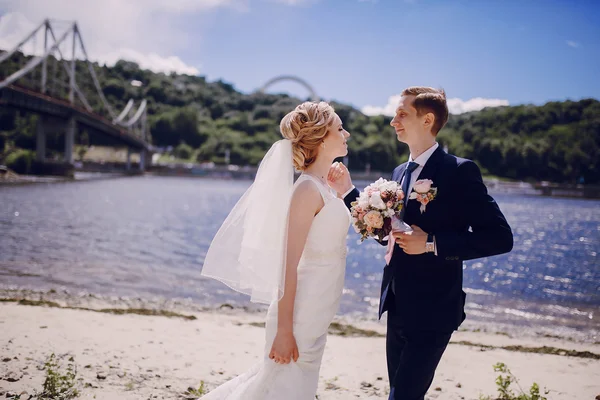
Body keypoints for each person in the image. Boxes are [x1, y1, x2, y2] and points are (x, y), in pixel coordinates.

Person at [328, 86, 514, 400]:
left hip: (435, 309)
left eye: (402, 114)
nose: (393, 121)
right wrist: (349, 193)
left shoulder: (459, 172)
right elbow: (388, 232)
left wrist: (431, 243)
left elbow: (500, 237)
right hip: (397, 304)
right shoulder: (400, 173)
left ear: (427, 120)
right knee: (399, 392)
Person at [200, 101, 352, 399]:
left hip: (317, 310)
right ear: (322, 139)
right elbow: (287, 265)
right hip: (298, 315)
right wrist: (284, 331)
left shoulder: (324, 187)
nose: (346, 134)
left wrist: (345, 190)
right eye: (339, 128)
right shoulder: (307, 190)